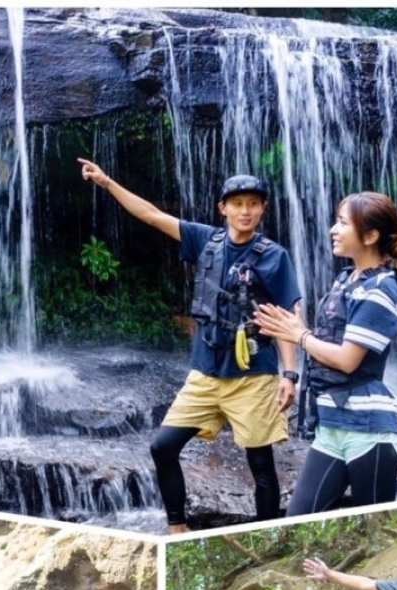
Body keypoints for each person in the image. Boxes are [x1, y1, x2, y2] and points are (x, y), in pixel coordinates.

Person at [78, 159, 302, 532]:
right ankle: (177, 527)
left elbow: (286, 318)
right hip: (205, 374)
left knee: (260, 464)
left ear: (262, 209)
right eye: (238, 203)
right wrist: (106, 183)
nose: (245, 211)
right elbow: (150, 215)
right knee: (163, 447)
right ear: (223, 208)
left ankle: (267, 534)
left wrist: (290, 374)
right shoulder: (205, 240)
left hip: (253, 375)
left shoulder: (274, 257)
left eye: (253, 204)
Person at [254, 192, 397, 516]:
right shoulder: (346, 280)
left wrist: (298, 334)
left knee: (373, 526)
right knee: (296, 520)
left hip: (370, 431)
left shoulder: (381, 289)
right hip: (331, 426)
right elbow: (323, 341)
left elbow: (347, 360)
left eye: (343, 223)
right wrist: (294, 325)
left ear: (370, 236)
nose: (333, 229)